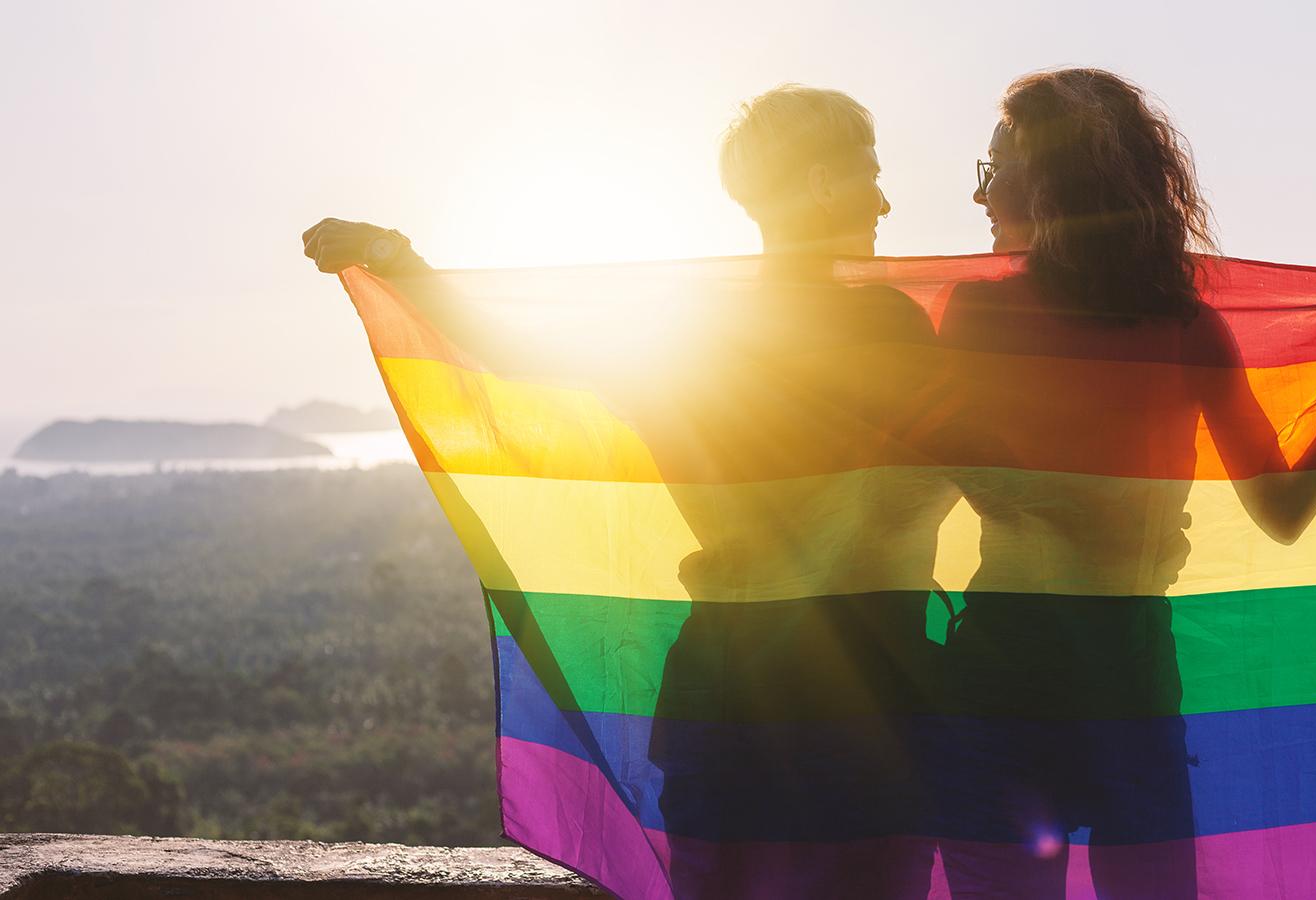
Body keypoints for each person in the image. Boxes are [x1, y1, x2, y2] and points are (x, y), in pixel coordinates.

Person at [303, 85, 953, 899]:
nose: (885, 198)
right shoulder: (889, 329)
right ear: (821, 185)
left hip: (725, 705)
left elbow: (512, 346)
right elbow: (963, 472)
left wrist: (400, 262)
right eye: (870, 173)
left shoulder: (687, 333)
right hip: (871, 710)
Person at [930, 67, 1316, 897]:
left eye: (995, 167)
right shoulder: (1185, 324)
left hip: (1007, 665)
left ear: (1049, 183)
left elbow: (935, 477)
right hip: (1127, 672)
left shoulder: (979, 319)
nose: (981, 196)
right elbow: (1284, 509)